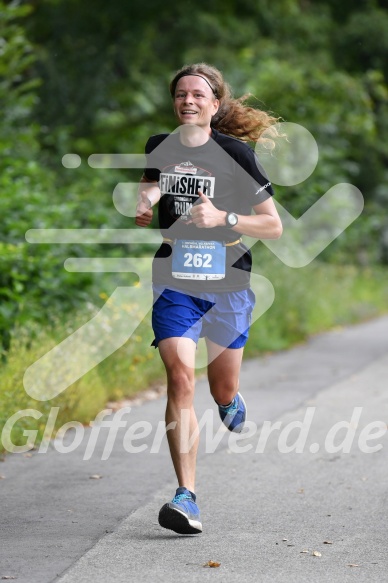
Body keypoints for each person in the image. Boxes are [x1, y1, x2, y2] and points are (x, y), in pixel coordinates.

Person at [135, 63, 282, 535]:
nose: (188, 101)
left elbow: (272, 225)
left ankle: (228, 397)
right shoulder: (160, 145)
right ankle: (186, 496)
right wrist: (148, 197)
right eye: (181, 94)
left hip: (228, 284)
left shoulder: (235, 152)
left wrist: (223, 218)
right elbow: (153, 179)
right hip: (175, 277)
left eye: (198, 94)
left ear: (215, 105)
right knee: (180, 376)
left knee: (219, 387)